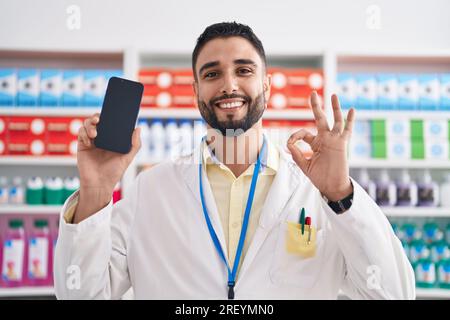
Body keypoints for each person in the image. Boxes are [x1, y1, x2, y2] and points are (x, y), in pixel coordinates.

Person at [54, 22, 415, 299]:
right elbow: (79, 294)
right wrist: (96, 191)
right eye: (212, 74)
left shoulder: (316, 191)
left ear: (268, 85)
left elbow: (393, 292)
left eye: (244, 70)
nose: (229, 85)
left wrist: (340, 194)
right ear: (195, 90)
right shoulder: (150, 191)